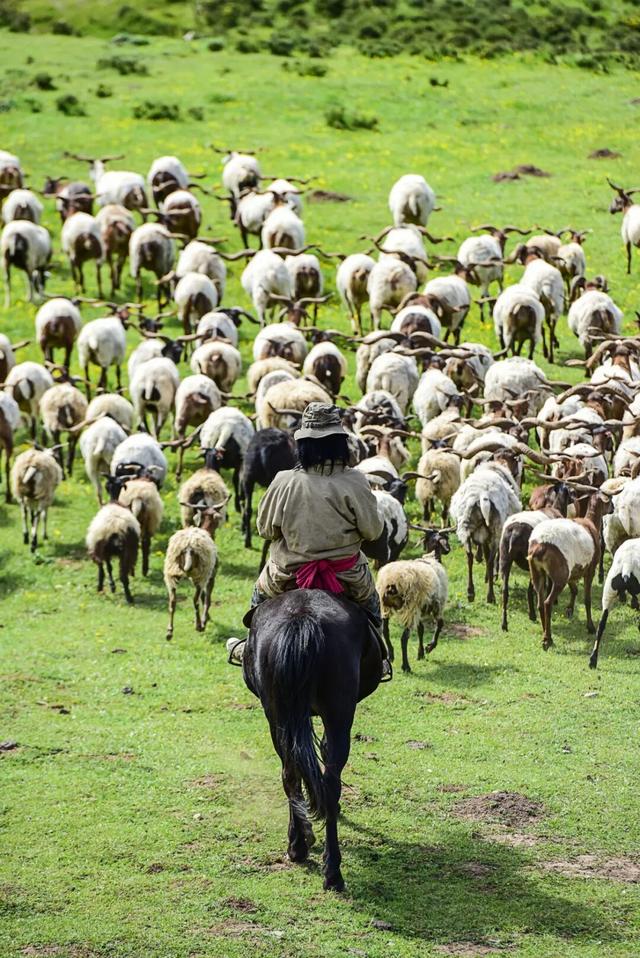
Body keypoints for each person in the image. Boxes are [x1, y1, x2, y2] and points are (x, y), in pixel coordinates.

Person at [226, 402, 391, 676]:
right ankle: (380, 658)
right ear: (340, 443)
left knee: (258, 601)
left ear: (302, 444)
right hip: (346, 575)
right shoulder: (355, 481)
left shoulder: (282, 481)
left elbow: (265, 530)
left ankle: (249, 646)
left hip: (285, 572)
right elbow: (373, 531)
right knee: (372, 608)